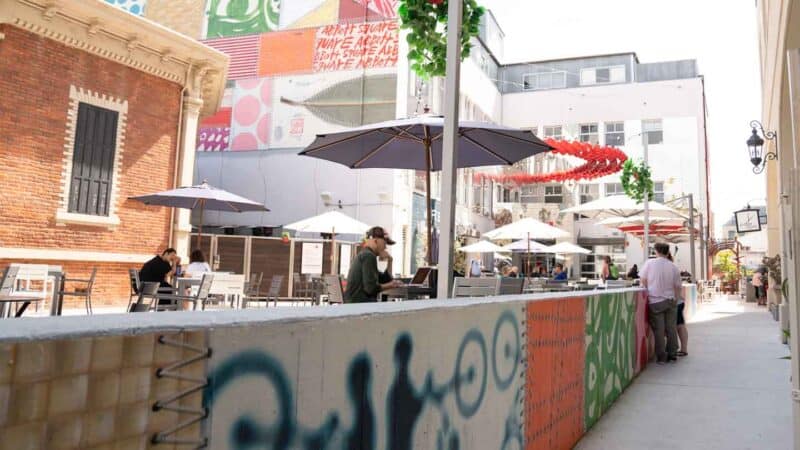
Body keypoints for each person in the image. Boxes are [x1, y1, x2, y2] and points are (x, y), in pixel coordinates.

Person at [640, 243, 682, 364]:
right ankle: (673, 354)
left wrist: (648, 289)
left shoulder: (649, 263)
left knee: (659, 330)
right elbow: (678, 286)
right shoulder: (673, 266)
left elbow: (643, 280)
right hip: (670, 300)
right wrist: (676, 299)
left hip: (655, 300)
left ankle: (662, 357)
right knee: (671, 328)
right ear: (668, 251)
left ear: (656, 251)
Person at [345, 226, 403, 303]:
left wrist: (390, 261)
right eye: (385, 243)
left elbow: (385, 279)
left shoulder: (365, 254)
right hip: (360, 304)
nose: (385, 247)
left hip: (355, 303)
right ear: (376, 240)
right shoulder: (368, 256)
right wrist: (391, 285)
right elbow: (370, 289)